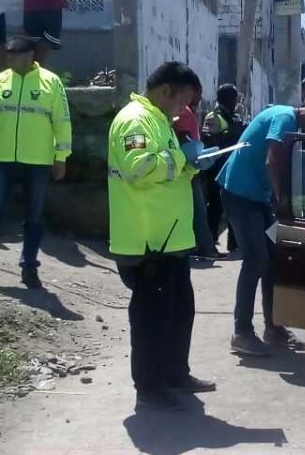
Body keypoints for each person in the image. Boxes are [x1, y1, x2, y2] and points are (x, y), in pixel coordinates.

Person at [108, 61, 216, 411]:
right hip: (147, 240)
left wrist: (190, 164)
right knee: (151, 318)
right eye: (183, 101)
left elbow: (166, 170)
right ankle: (150, 386)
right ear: (165, 90)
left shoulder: (159, 121)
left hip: (170, 239)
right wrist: (178, 156)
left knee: (179, 311)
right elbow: (139, 168)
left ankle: (174, 374)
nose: (184, 109)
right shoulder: (135, 120)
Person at [218, 95, 305, 356]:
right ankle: (242, 332)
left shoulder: (293, 124)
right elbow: (272, 159)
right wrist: (281, 201)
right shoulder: (285, 117)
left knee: (273, 260)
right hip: (241, 194)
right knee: (255, 261)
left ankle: (274, 328)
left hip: (258, 198)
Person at [0, 36, 70, 288]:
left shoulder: (51, 83)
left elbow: (62, 122)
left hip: (38, 161)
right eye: (8, 55)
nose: (10, 60)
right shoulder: (0, 80)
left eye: (16, 55)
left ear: (30, 55)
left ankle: (29, 268)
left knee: (34, 216)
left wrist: (60, 157)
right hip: (3, 159)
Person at [202, 83, 245, 253]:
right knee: (215, 207)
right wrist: (230, 133)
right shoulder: (213, 117)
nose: (236, 102)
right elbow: (208, 141)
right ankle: (210, 243)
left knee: (234, 207)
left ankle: (234, 244)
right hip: (216, 168)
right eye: (234, 98)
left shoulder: (233, 117)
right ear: (226, 99)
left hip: (232, 168)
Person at [174, 99, 220, 260]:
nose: (200, 97)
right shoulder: (184, 112)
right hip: (188, 167)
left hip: (188, 166)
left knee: (196, 209)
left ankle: (199, 247)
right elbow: (184, 137)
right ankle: (206, 248)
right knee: (198, 209)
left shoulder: (185, 111)